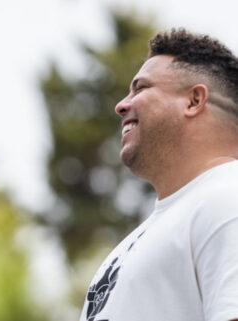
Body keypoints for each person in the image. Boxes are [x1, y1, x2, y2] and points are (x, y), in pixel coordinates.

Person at [80, 28, 238, 321]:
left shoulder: (228, 200)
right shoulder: (138, 240)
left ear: (194, 101)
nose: (121, 105)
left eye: (140, 88)